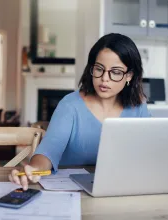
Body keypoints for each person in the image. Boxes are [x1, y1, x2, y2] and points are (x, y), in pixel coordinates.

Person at [9, 33, 151, 190]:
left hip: (120, 188)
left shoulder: (138, 107)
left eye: (116, 72)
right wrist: (35, 169)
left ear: (129, 75)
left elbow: (150, 152)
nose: (104, 78)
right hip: (72, 191)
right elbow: (49, 150)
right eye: (99, 69)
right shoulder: (70, 105)